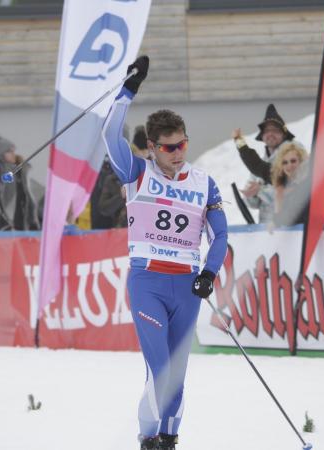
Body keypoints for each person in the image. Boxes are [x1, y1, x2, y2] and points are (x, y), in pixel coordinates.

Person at [102, 56, 227, 450]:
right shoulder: (137, 172)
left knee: (179, 373)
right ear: (153, 148)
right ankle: (147, 438)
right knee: (161, 371)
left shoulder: (204, 182)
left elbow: (221, 234)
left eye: (183, 144)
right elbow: (108, 133)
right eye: (170, 147)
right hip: (148, 283)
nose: (178, 152)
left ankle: (170, 439)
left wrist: (209, 272)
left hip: (187, 286)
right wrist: (128, 90)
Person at [0, 129, 41, 230]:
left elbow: (29, 195)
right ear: (1, 154)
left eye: (13, 151)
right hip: (6, 228)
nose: (14, 154)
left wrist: (34, 221)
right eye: (9, 151)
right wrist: (3, 225)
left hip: (25, 225)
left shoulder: (17, 170)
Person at [270, 142, 310, 226]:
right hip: (294, 235)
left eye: (293, 161)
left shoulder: (309, 182)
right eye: (285, 162)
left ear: (301, 161)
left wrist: (277, 220)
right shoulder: (281, 187)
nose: (289, 165)